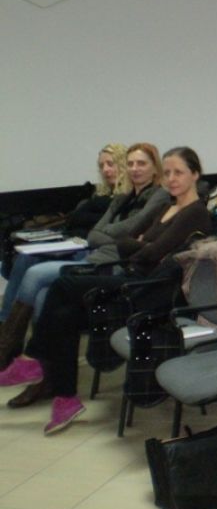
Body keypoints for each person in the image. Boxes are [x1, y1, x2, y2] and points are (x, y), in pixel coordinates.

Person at [0, 147, 212, 434]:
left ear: (195, 174)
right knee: (63, 313)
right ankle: (65, 399)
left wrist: (141, 246)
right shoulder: (165, 207)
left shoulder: (195, 213)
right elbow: (128, 243)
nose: (172, 179)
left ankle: (32, 358)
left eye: (179, 172)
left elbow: (150, 253)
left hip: (149, 292)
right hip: (131, 277)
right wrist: (141, 246)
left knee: (63, 283)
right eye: (168, 173)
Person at [0, 143, 168, 376]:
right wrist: (114, 236)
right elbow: (93, 235)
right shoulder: (123, 197)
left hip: (114, 267)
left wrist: (111, 235)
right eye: (130, 164)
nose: (134, 168)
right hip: (94, 256)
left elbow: (131, 228)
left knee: (34, 274)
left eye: (141, 163)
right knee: (41, 294)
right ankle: (43, 367)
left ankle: (11, 351)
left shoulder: (159, 196)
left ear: (155, 168)